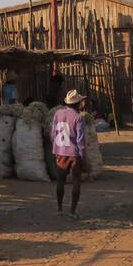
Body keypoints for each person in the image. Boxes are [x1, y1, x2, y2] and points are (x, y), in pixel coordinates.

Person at [50, 89, 87, 218]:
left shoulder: (57, 114)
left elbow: (53, 134)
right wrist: (83, 157)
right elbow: (80, 140)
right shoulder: (78, 117)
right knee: (76, 181)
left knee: (60, 180)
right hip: (74, 154)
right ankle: (72, 211)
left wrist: (56, 148)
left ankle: (59, 209)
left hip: (60, 152)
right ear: (78, 103)